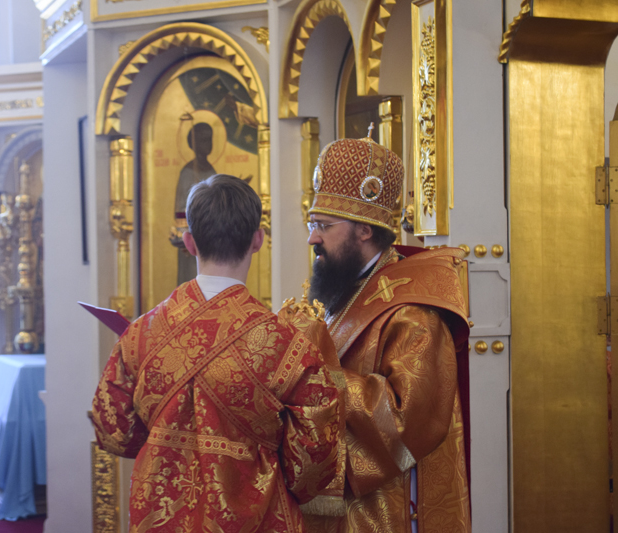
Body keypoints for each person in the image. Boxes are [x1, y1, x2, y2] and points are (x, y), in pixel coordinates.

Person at [91, 174, 341, 532]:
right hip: (257, 519)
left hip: (159, 517)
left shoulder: (139, 335)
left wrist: (164, 446)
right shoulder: (285, 344)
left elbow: (113, 429)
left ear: (189, 242)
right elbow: (315, 455)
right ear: (258, 240)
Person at [303, 136, 471, 533]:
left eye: (324, 226)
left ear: (364, 230)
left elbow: (404, 422)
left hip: (385, 515)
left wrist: (313, 370)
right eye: (312, 224)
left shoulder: (413, 312)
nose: (313, 238)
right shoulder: (343, 290)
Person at [174, 122, 217, 284]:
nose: (208, 144)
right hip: (193, 238)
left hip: (212, 238)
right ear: (195, 143)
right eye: (204, 140)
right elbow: (181, 209)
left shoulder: (211, 170)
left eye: (210, 139)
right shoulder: (187, 172)